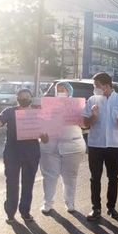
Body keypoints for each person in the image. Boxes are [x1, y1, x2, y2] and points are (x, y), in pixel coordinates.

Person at [0, 89, 44, 223]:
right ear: (17, 98)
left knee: (28, 184)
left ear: (31, 98)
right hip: (12, 154)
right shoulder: (9, 111)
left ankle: (25, 212)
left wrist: (44, 136)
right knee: (12, 184)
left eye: (27, 97)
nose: (24, 99)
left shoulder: (38, 113)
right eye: (21, 97)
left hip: (31, 154)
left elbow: (45, 138)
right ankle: (10, 213)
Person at [82, 72, 118, 220]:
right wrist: (94, 116)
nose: (95, 89)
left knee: (113, 177)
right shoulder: (92, 100)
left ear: (106, 85)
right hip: (95, 144)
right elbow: (85, 124)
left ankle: (111, 207)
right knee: (95, 178)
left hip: (114, 145)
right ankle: (96, 209)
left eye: (96, 86)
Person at [40, 82, 87, 214]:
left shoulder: (77, 105)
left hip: (72, 146)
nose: (60, 92)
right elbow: (41, 124)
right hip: (50, 146)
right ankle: (47, 203)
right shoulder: (48, 105)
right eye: (58, 90)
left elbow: (85, 125)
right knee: (49, 176)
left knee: (70, 176)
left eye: (63, 90)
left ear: (69, 92)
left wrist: (86, 114)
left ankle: (70, 203)